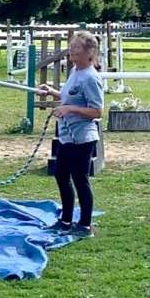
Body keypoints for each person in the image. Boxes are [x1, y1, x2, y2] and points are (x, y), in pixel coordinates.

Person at [37, 31, 104, 237]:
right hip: (67, 136)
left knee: (80, 179)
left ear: (89, 52)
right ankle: (65, 221)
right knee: (61, 175)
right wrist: (52, 92)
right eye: (71, 47)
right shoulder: (76, 71)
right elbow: (71, 96)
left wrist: (70, 110)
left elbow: (97, 111)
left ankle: (85, 225)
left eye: (76, 48)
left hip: (82, 138)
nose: (71, 51)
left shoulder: (91, 78)